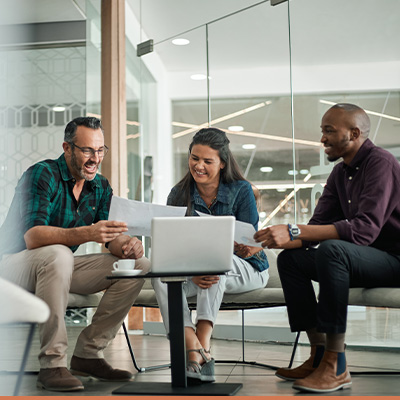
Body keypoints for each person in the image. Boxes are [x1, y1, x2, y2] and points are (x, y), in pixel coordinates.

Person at [254, 103, 400, 393]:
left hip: (393, 261)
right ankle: (319, 354)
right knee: (291, 259)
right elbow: (315, 228)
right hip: (358, 260)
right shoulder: (340, 174)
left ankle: (337, 365)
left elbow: (363, 230)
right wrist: (269, 240)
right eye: (322, 131)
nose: (322, 139)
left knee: (333, 249)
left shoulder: (380, 163)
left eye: (329, 131)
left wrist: (294, 229)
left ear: (355, 133)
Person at [0, 117, 150, 392]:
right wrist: (88, 232)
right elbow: (33, 237)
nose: (95, 158)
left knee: (138, 264)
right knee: (57, 253)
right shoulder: (42, 174)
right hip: (12, 265)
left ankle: (88, 354)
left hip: (57, 266)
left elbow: (108, 237)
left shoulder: (101, 187)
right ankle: (52, 364)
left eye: (100, 150)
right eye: (87, 151)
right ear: (67, 148)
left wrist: (127, 243)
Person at [152, 127, 269, 382]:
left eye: (207, 161)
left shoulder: (241, 190)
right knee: (159, 275)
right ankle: (193, 348)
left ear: (222, 163)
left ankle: (200, 345)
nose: (199, 166)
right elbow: (173, 245)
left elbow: (252, 241)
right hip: (195, 271)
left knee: (214, 262)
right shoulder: (178, 193)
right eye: (195, 158)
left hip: (246, 268)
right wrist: (190, 273)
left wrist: (242, 246)